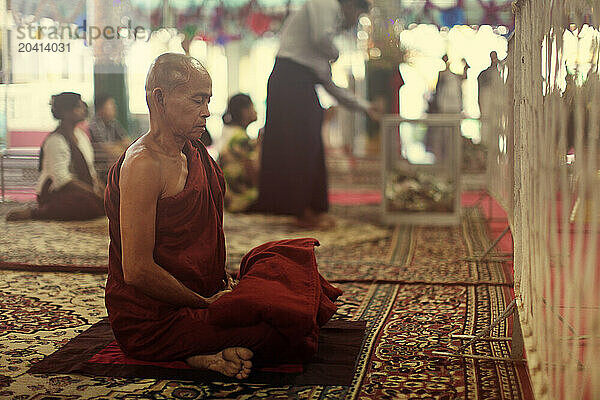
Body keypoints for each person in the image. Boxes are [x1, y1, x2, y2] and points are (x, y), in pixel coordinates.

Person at [104, 53, 341, 379]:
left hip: (204, 292)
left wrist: (220, 285)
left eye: (208, 100)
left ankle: (201, 347)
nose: (207, 111)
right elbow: (137, 271)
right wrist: (205, 303)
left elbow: (201, 238)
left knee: (286, 262)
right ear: (160, 99)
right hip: (156, 319)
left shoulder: (194, 150)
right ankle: (193, 354)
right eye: (198, 100)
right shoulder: (143, 165)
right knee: (283, 330)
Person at [255, 0, 381, 229]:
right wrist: (336, 53)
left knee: (310, 147)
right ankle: (300, 211)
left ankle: (309, 209)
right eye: (357, 15)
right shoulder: (325, 4)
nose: (354, 22)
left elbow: (332, 87)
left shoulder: (319, 46)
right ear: (351, 6)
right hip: (289, 82)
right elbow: (322, 38)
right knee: (300, 147)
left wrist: (365, 108)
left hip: (297, 86)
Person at [6, 92, 105, 221]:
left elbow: (91, 171)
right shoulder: (56, 140)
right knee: (87, 205)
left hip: (83, 191)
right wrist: (93, 193)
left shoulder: (81, 137)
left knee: (106, 203)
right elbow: (62, 180)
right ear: (66, 112)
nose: (84, 110)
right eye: (79, 107)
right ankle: (35, 213)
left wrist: (102, 190)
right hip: (55, 193)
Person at [217, 94, 259, 212]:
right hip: (240, 198)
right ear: (244, 111)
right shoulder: (240, 137)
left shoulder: (231, 132)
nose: (256, 111)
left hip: (228, 196)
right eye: (253, 107)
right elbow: (252, 172)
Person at [89, 94, 130, 181]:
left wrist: (117, 146)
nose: (114, 108)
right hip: (101, 168)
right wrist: (119, 146)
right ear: (101, 108)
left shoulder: (113, 123)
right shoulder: (94, 125)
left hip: (112, 163)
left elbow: (128, 143)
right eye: (111, 105)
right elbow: (108, 150)